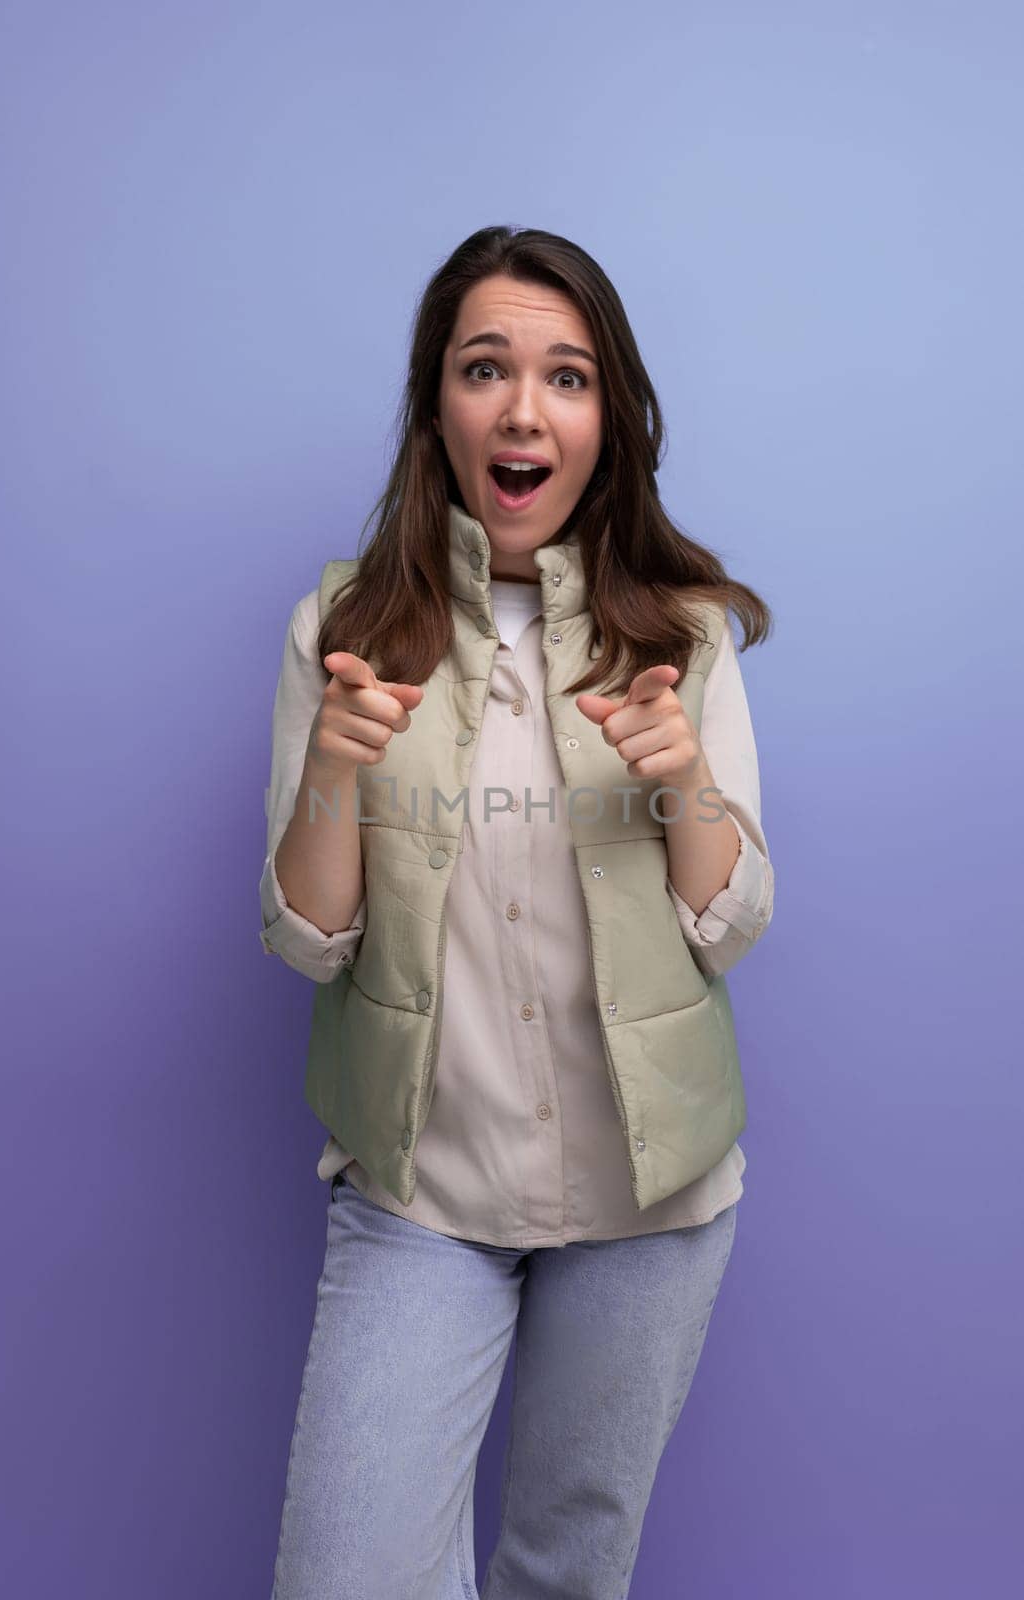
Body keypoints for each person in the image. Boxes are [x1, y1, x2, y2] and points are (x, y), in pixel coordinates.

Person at [260, 225, 775, 1599]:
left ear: (610, 417)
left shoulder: (681, 634)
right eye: (487, 368)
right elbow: (313, 941)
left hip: (647, 1196)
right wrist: (330, 772)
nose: (525, 407)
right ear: (440, 401)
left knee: (564, 1571)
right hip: (422, 1187)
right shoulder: (347, 627)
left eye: (568, 375)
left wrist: (689, 789)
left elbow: (731, 928)